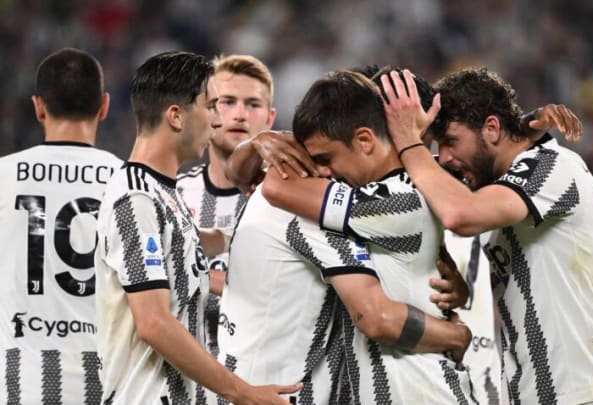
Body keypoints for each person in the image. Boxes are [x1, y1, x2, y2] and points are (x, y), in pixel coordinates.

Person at [218, 70, 474, 404]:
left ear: (365, 139)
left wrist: (459, 335)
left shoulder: (398, 202)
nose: (320, 171)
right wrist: (258, 143)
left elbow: (377, 318)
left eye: (323, 159)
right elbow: (240, 174)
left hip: (425, 391)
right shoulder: (380, 193)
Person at [379, 68, 593, 404]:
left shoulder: (552, 166)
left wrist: (410, 141)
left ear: (492, 128)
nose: (445, 158)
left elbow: (459, 214)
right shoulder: (495, 187)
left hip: (583, 394)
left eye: (450, 141)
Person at [93, 51, 299, 405]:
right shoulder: (136, 199)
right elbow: (154, 323)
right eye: (211, 106)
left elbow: (200, 244)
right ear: (176, 116)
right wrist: (243, 392)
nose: (218, 121)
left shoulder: (162, 192)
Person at [0, 48, 121, 404]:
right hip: (109, 381)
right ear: (104, 106)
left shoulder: (3, 176)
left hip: (21, 382)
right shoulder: (129, 183)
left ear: (38, 106)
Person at [177, 54, 276, 358]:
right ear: (207, 113)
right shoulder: (175, 193)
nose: (240, 114)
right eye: (227, 101)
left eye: (253, 104)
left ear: (270, 118)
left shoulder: (289, 200)